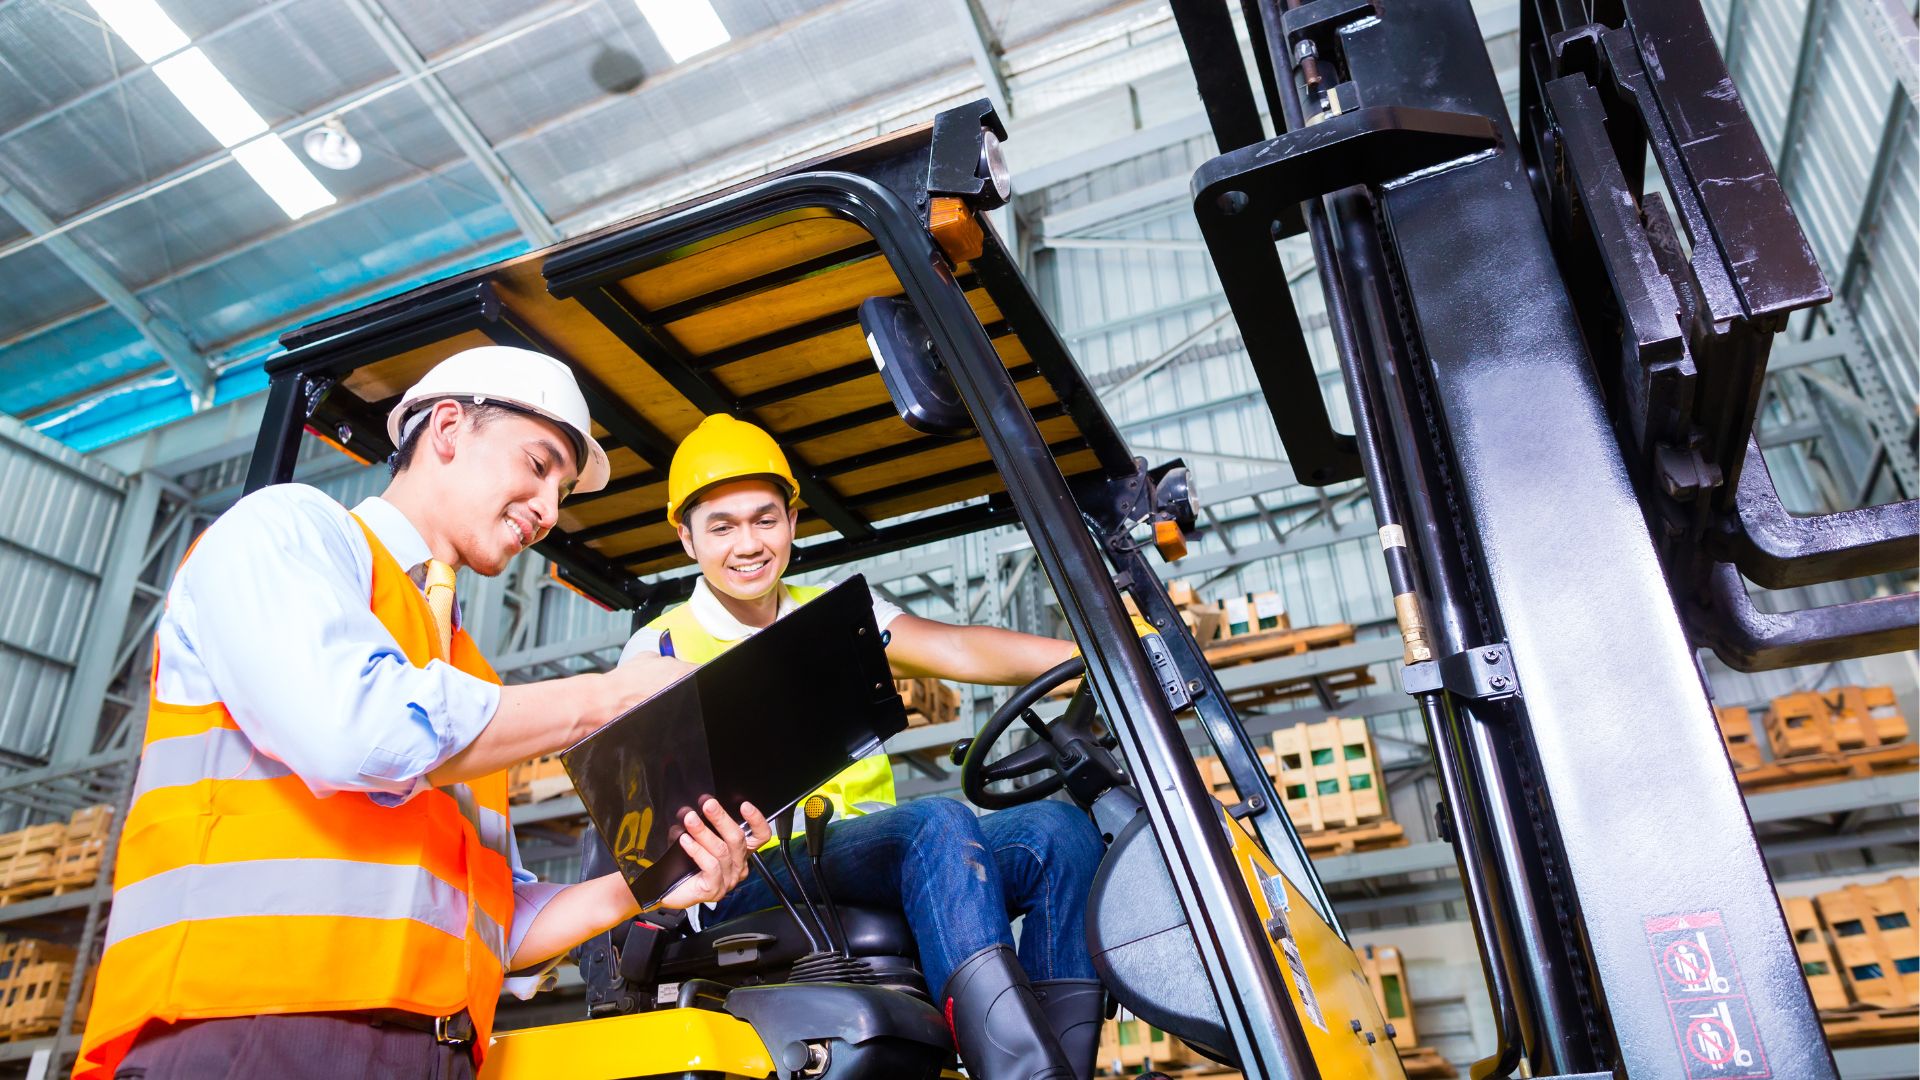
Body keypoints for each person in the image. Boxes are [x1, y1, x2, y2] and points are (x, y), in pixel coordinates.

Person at [76, 347, 769, 1080]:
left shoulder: (469, 677)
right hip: (251, 1034)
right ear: (446, 428)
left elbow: (495, 925)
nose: (549, 510)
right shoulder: (287, 533)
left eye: (562, 490)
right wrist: (609, 697)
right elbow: (354, 731)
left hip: (433, 1053)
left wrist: (652, 883)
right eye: (538, 467)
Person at [616, 414, 1111, 1080]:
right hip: (749, 873)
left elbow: (956, 646)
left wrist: (1103, 652)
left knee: (1059, 831)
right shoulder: (660, 649)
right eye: (722, 526)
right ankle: (1019, 1072)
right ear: (687, 537)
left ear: (793, 521)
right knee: (935, 823)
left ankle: (1058, 1068)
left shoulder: (839, 615)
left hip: (864, 852)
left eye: (765, 520)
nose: (748, 544)